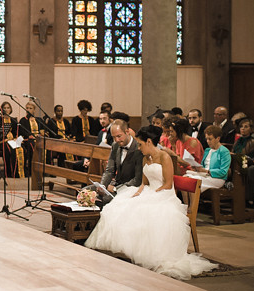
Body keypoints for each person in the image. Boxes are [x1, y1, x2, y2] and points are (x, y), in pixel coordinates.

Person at [84, 126, 218, 280]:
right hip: (149, 191)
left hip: (164, 194)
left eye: (140, 144)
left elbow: (168, 184)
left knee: (145, 212)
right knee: (120, 205)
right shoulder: (144, 158)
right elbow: (143, 183)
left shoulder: (164, 157)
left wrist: (151, 195)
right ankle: (127, 251)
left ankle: (147, 254)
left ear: (149, 142)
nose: (139, 148)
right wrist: (137, 193)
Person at [99, 119, 143, 193]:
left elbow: (137, 180)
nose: (116, 140)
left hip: (129, 189)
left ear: (127, 132)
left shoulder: (139, 148)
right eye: (113, 137)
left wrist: (116, 189)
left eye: (119, 136)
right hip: (115, 184)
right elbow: (109, 170)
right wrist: (102, 186)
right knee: (86, 191)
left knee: (102, 200)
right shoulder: (115, 145)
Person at [187, 125, 231, 190]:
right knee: (185, 177)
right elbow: (203, 166)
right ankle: (187, 200)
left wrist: (207, 171)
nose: (207, 141)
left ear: (218, 138)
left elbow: (223, 171)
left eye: (210, 139)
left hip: (217, 179)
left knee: (194, 181)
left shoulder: (224, 151)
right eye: (206, 139)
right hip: (205, 175)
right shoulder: (207, 150)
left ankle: (193, 200)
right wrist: (197, 168)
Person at [0, 101, 25, 178]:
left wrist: (17, 139)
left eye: (8, 108)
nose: (6, 109)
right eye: (4, 108)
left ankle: (19, 172)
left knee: (22, 149)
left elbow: (18, 132)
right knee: (10, 149)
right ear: (1, 109)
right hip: (2, 142)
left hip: (13, 141)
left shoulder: (13, 120)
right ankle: (10, 173)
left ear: (11, 109)